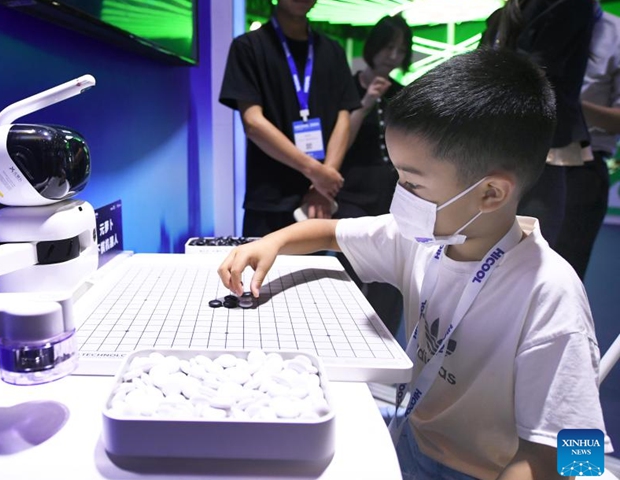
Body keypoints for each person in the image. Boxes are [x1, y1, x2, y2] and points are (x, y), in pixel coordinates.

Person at [218, 48, 613, 479]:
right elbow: (332, 232)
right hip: (412, 438)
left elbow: (582, 452)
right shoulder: (429, 237)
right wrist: (272, 242)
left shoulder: (549, 292)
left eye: (413, 182)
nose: (401, 195)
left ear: (491, 194)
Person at [219, 0, 359, 237]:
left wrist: (323, 183)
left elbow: (343, 117)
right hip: (269, 198)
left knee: (319, 272)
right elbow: (253, 123)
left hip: (321, 199)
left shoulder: (332, 51)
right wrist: (315, 171)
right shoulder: (248, 47)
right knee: (259, 273)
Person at [482, 0, 594, 245]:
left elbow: (540, 66)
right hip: (496, 142)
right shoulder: (503, 15)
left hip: (542, 139)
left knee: (528, 249)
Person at [335, 14, 413, 336]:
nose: (392, 56)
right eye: (387, 47)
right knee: (348, 267)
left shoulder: (403, 94)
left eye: (400, 49)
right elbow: (339, 142)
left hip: (393, 195)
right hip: (352, 191)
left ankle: (382, 347)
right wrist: (365, 103)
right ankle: (338, 338)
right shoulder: (347, 88)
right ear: (373, 47)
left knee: (391, 274)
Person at [557, 4, 620, 279]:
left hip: (582, 165)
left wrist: (568, 103)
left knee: (563, 277)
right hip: (522, 162)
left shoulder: (615, 32)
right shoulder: (528, 21)